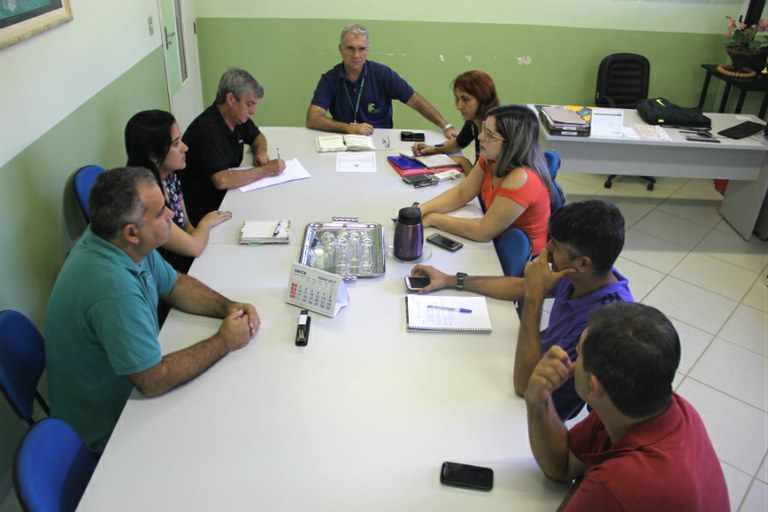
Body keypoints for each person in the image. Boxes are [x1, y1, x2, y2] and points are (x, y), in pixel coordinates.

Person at [45, 167, 259, 453]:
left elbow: (173, 285)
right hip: (111, 430)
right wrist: (224, 341)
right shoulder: (111, 288)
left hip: (131, 392)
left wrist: (227, 307)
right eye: (160, 213)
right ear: (132, 232)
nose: (170, 214)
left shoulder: (121, 244)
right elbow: (153, 380)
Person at [412, 200, 633, 420]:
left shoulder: (603, 324)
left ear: (583, 264)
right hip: (529, 363)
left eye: (554, 246)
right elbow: (521, 287)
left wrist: (535, 295)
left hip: (536, 410)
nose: (546, 249)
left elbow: (525, 385)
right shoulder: (585, 274)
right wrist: (451, 280)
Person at [525, 302, 729, 510]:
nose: (572, 361)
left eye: (578, 352)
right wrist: (539, 400)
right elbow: (562, 466)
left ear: (593, 385)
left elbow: (576, 477)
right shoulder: (642, 403)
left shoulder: (616, 485)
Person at [417, 104, 553, 252]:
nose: (480, 137)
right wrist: (419, 211)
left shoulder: (521, 178)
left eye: (489, 134)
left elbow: (483, 232)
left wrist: (432, 219)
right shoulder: (491, 157)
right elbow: (461, 194)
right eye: (483, 129)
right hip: (496, 242)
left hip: (518, 259)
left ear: (511, 143)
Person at [125, 109, 232, 272]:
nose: (185, 148)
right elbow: (194, 247)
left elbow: (187, 226)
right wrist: (206, 222)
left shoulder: (170, 176)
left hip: (183, 257)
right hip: (167, 273)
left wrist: (199, 235)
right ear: (154, 156)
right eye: (176, 144)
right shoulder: (147, 199)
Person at [306, 23, 458, 137]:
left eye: (361, 49)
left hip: (379, 139)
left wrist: (446, 126)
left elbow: (416, 101)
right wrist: (350, 128)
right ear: (340, 49)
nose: (356, 55)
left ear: (368, 50)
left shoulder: (383, 74)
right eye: (350, 48)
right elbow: (313, 119)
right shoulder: (329, 78)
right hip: (343, 138)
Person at [182, 68, 285, 224]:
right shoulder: (207, 130)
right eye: (249, 104)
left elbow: (258, 136)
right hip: (205, 211)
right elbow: (222, 180)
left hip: (227, 198)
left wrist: (260, 152)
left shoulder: (236, 119)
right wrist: (265, 170)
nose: (253, 111)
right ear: (230, 99)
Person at [411, 70, 500, 173]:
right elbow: (458, 143)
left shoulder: (496, 132)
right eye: (458, 99)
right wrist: (434, 149)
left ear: (483, 98)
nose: (459, 106)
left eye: (465, 99)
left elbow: (482, 184)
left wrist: (464, 162)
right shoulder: (473, 121)